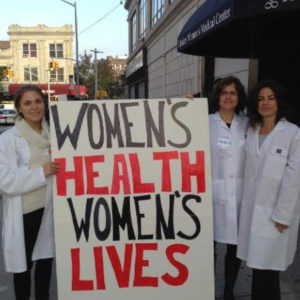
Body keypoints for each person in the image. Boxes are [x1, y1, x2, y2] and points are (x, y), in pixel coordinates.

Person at [237, 80, 300, 300]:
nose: (265, 103)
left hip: (275, 214)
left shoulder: (293, 133)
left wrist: (284, 213)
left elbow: (294, 178)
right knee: (257, 268)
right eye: (261, 99)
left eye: (270, 98)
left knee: (268, 271)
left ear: (279, 102)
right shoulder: (250, 128)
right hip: (252, 210)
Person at [0, 85, 60, 300]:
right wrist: (41, 172)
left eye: (38, 101)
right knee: (23, 268)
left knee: (46, 265)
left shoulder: (57, 136)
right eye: (27, 103)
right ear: (19, 108)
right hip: (25, 213)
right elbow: (5, 182)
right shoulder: (8, 139)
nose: (34, 107)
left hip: (50, 210)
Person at [209, 76, 248, 300]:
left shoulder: (248, 123)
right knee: (209, 246)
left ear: (238, 97)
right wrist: (186, 108)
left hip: (239, 195)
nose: (228, 97)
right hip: (212, 194)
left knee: (234, 248)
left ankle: (228, 291)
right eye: (224, 92)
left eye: (233, 93)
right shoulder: (205, 122)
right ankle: (208, 286)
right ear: (218, 96)